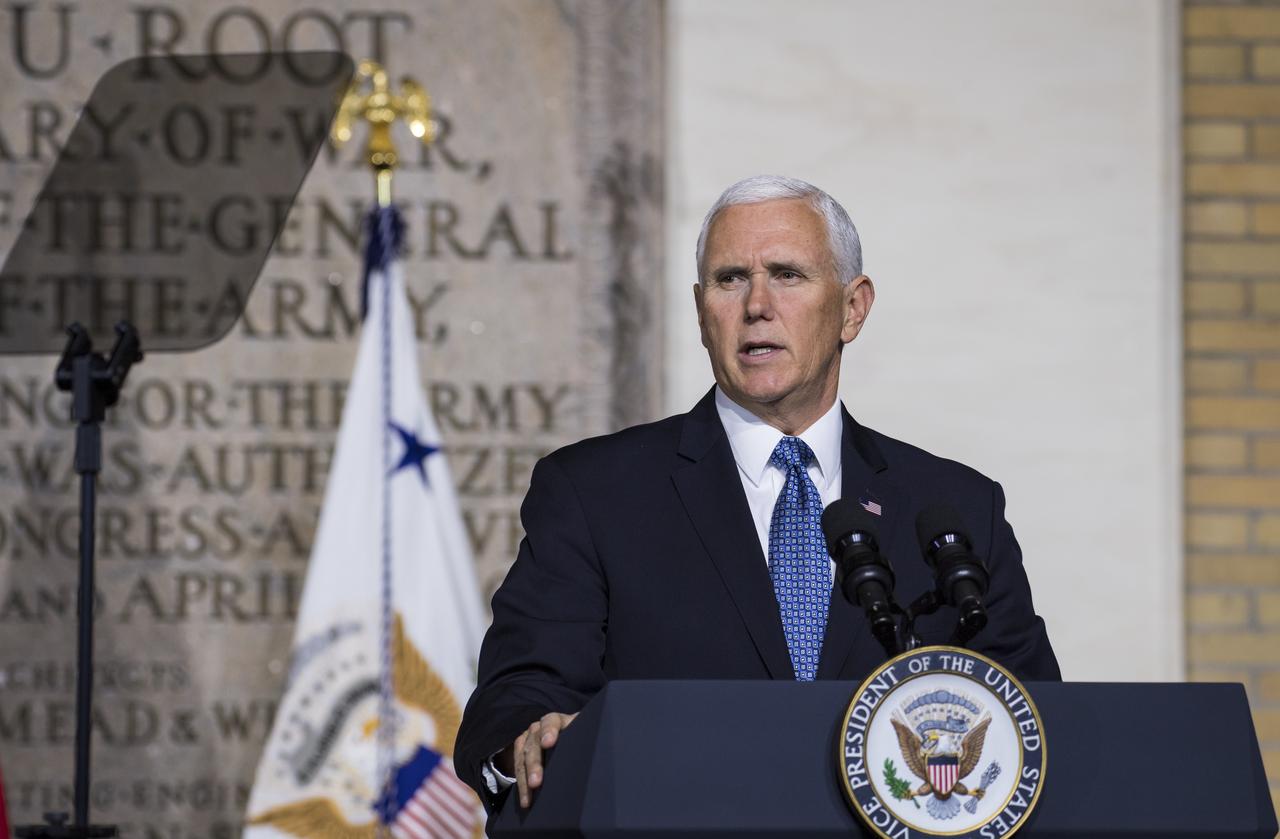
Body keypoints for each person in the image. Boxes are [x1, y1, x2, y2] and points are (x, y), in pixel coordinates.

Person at [454, 175, 1060, 810]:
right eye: (730, 279)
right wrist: (528, 740)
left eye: (788, 275)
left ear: (853, 308)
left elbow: (1039, 719)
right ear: (700, 310)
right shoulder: (595, 492)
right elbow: (519, 693)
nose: (756, 305)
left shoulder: (955, 507)